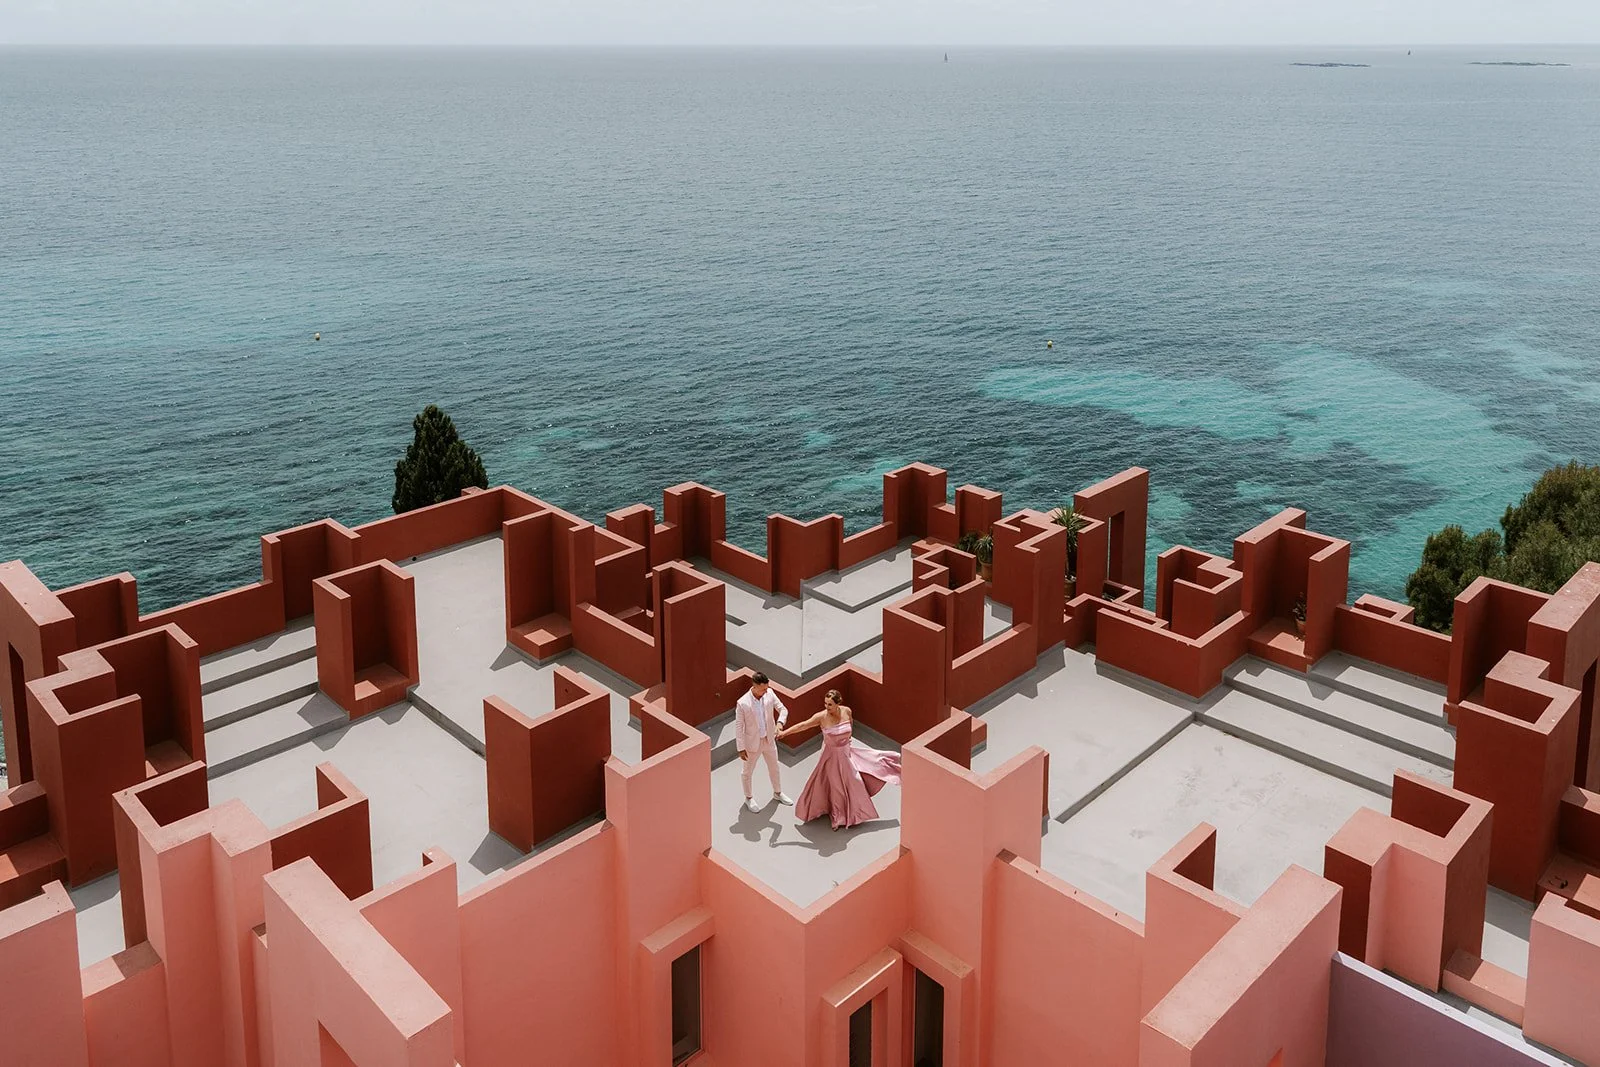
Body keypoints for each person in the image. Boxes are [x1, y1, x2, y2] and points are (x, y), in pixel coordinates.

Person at [777, 689, 902, 830]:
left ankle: (855, 813)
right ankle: (837, 817)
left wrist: (847, 741)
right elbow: (803, 725)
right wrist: (784, 733)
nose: (826, 707)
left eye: (830, 704)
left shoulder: (847, 711)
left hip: (846, 753)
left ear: (838, 703)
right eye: (825, 703)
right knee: (836, 787)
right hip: (831, 757)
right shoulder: (821, 717)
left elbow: (850, 725)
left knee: (855, 781)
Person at [734, 672, 792, 812]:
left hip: (769, 740)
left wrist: (780, 723)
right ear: (755, 686)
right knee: (747, 772)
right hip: (752, 743)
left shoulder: (770, 693)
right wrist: (741, 748)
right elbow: (738, 727)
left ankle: (777, 793)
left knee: (774, 767)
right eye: (763, 688)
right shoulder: (742, 703)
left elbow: (783, 709)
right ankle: (749, 798)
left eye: (767, 688)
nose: (766, 691)